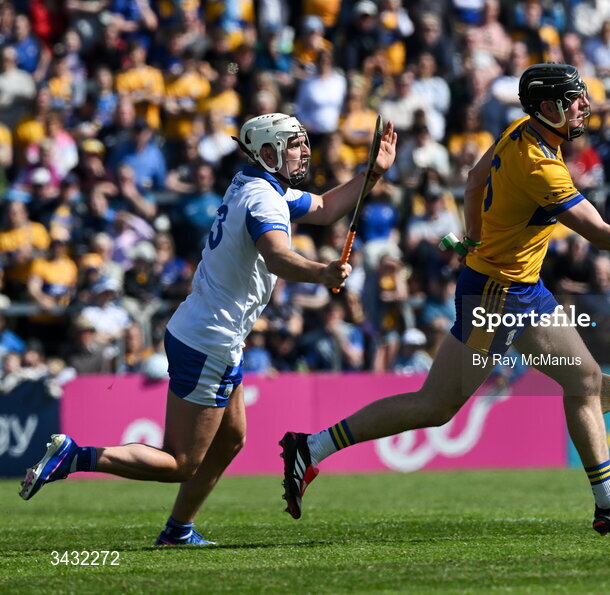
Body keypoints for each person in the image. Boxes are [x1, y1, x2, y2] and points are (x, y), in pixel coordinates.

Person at [281, 64, 610, 534]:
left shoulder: (522, 131)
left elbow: (473, 180)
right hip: (496, 296)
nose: (585, 106)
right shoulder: (541, 166)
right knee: (436, 406)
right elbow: (600, 233)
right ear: (548, 108)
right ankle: (314, 447)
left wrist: (474, 236)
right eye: (574, 99)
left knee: (586, 380)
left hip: (522, 289)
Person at [19, 113, 398, 546]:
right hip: (209, 341)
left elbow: (328, 208)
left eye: (304, 142)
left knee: (231, 439)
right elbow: (276, 256)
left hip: (209, 333)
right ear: (268, 153)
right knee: (180, 462)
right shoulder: (262, 200)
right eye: (294, 145)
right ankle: (75, 457)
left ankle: (179, 530)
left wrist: (373, 173)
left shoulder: (256, 185)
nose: (305, 151)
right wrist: (322, 273)